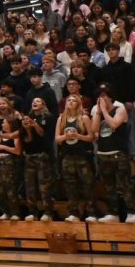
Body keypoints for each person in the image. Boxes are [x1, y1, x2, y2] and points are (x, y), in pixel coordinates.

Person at [90, 85, 135, 223]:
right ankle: (113, 213)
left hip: (119, 153)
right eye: (99, 96)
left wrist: (104, 111)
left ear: (110, 96)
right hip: (103, 153)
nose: (101, 99)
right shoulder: (97, 111)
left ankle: (131, 212)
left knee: (125, 184)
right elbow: (94, 132)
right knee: (108, 186)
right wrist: (98, 113)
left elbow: (114, 125)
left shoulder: (120, 109)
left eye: (104, 95)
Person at [56, 94, 96, 222]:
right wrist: (65, 137)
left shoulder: (84, 118)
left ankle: (91, 212)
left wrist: (78, 136)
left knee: (87, 185)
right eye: (69, 100)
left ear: (78, 103)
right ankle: (73, 213)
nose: (71, 102)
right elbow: (57, 139)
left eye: (74, 100)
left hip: (82, 156)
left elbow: (91, 137)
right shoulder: (61, 118)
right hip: (67, 156)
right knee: (70, 186)